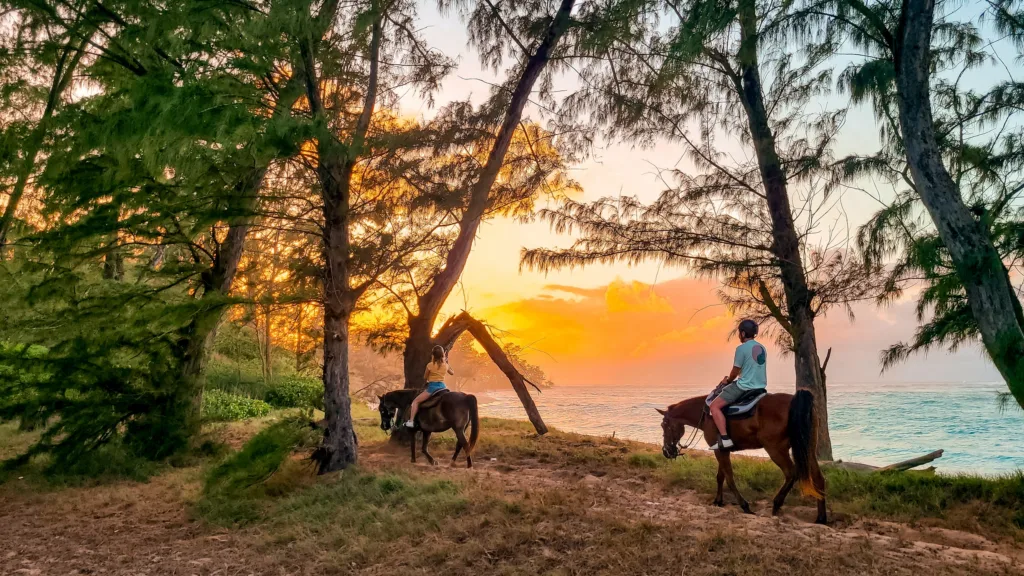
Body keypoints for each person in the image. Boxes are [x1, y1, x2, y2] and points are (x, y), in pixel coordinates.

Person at [708, 319, 767, 451]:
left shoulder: (741, 349)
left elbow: (735, 371)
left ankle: (725, 439)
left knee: (714, 406)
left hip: (744, 386)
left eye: (740, 333)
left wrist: (728, 381)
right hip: (760, 387)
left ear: (743, 333)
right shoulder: (762, 348)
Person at [405, 345, 455, 428]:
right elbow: (452, 373)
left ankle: (411, 421)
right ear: (443, 354)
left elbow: (425, 377)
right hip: (443, 387)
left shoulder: (430, 365)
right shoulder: (446, 365)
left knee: (415, 402)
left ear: (433, 355)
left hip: (432, 388)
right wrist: (446, 362)